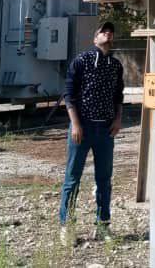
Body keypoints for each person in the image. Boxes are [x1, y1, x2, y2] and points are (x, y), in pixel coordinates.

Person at [59, 20, 124, 244]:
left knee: (104, 179)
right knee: (73, 178)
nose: (108, 34)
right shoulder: (82, 60)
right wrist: (75, 124)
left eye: (110, 32)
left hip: (105, 130)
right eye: (103, 31)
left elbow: (118, 95)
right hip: (83, 127)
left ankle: (103, 225)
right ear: (95, 39)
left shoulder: (116, 65)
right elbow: (69, 93)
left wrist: (118, 119)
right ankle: (67, 226)